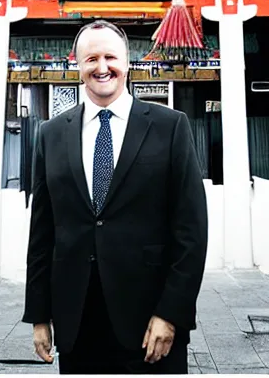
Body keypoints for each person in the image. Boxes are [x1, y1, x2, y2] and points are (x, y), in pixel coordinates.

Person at [22, 20, 208, 374]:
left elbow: (191, 231)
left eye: (111, 57)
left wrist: (171, 313)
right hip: (77, 322)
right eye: (91, 58)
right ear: (77, 66)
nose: (102, 67)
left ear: (128, 62)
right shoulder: (51, 135)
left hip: (149, 319)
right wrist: (39, 315)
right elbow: (42, 235)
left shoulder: (170, 127)